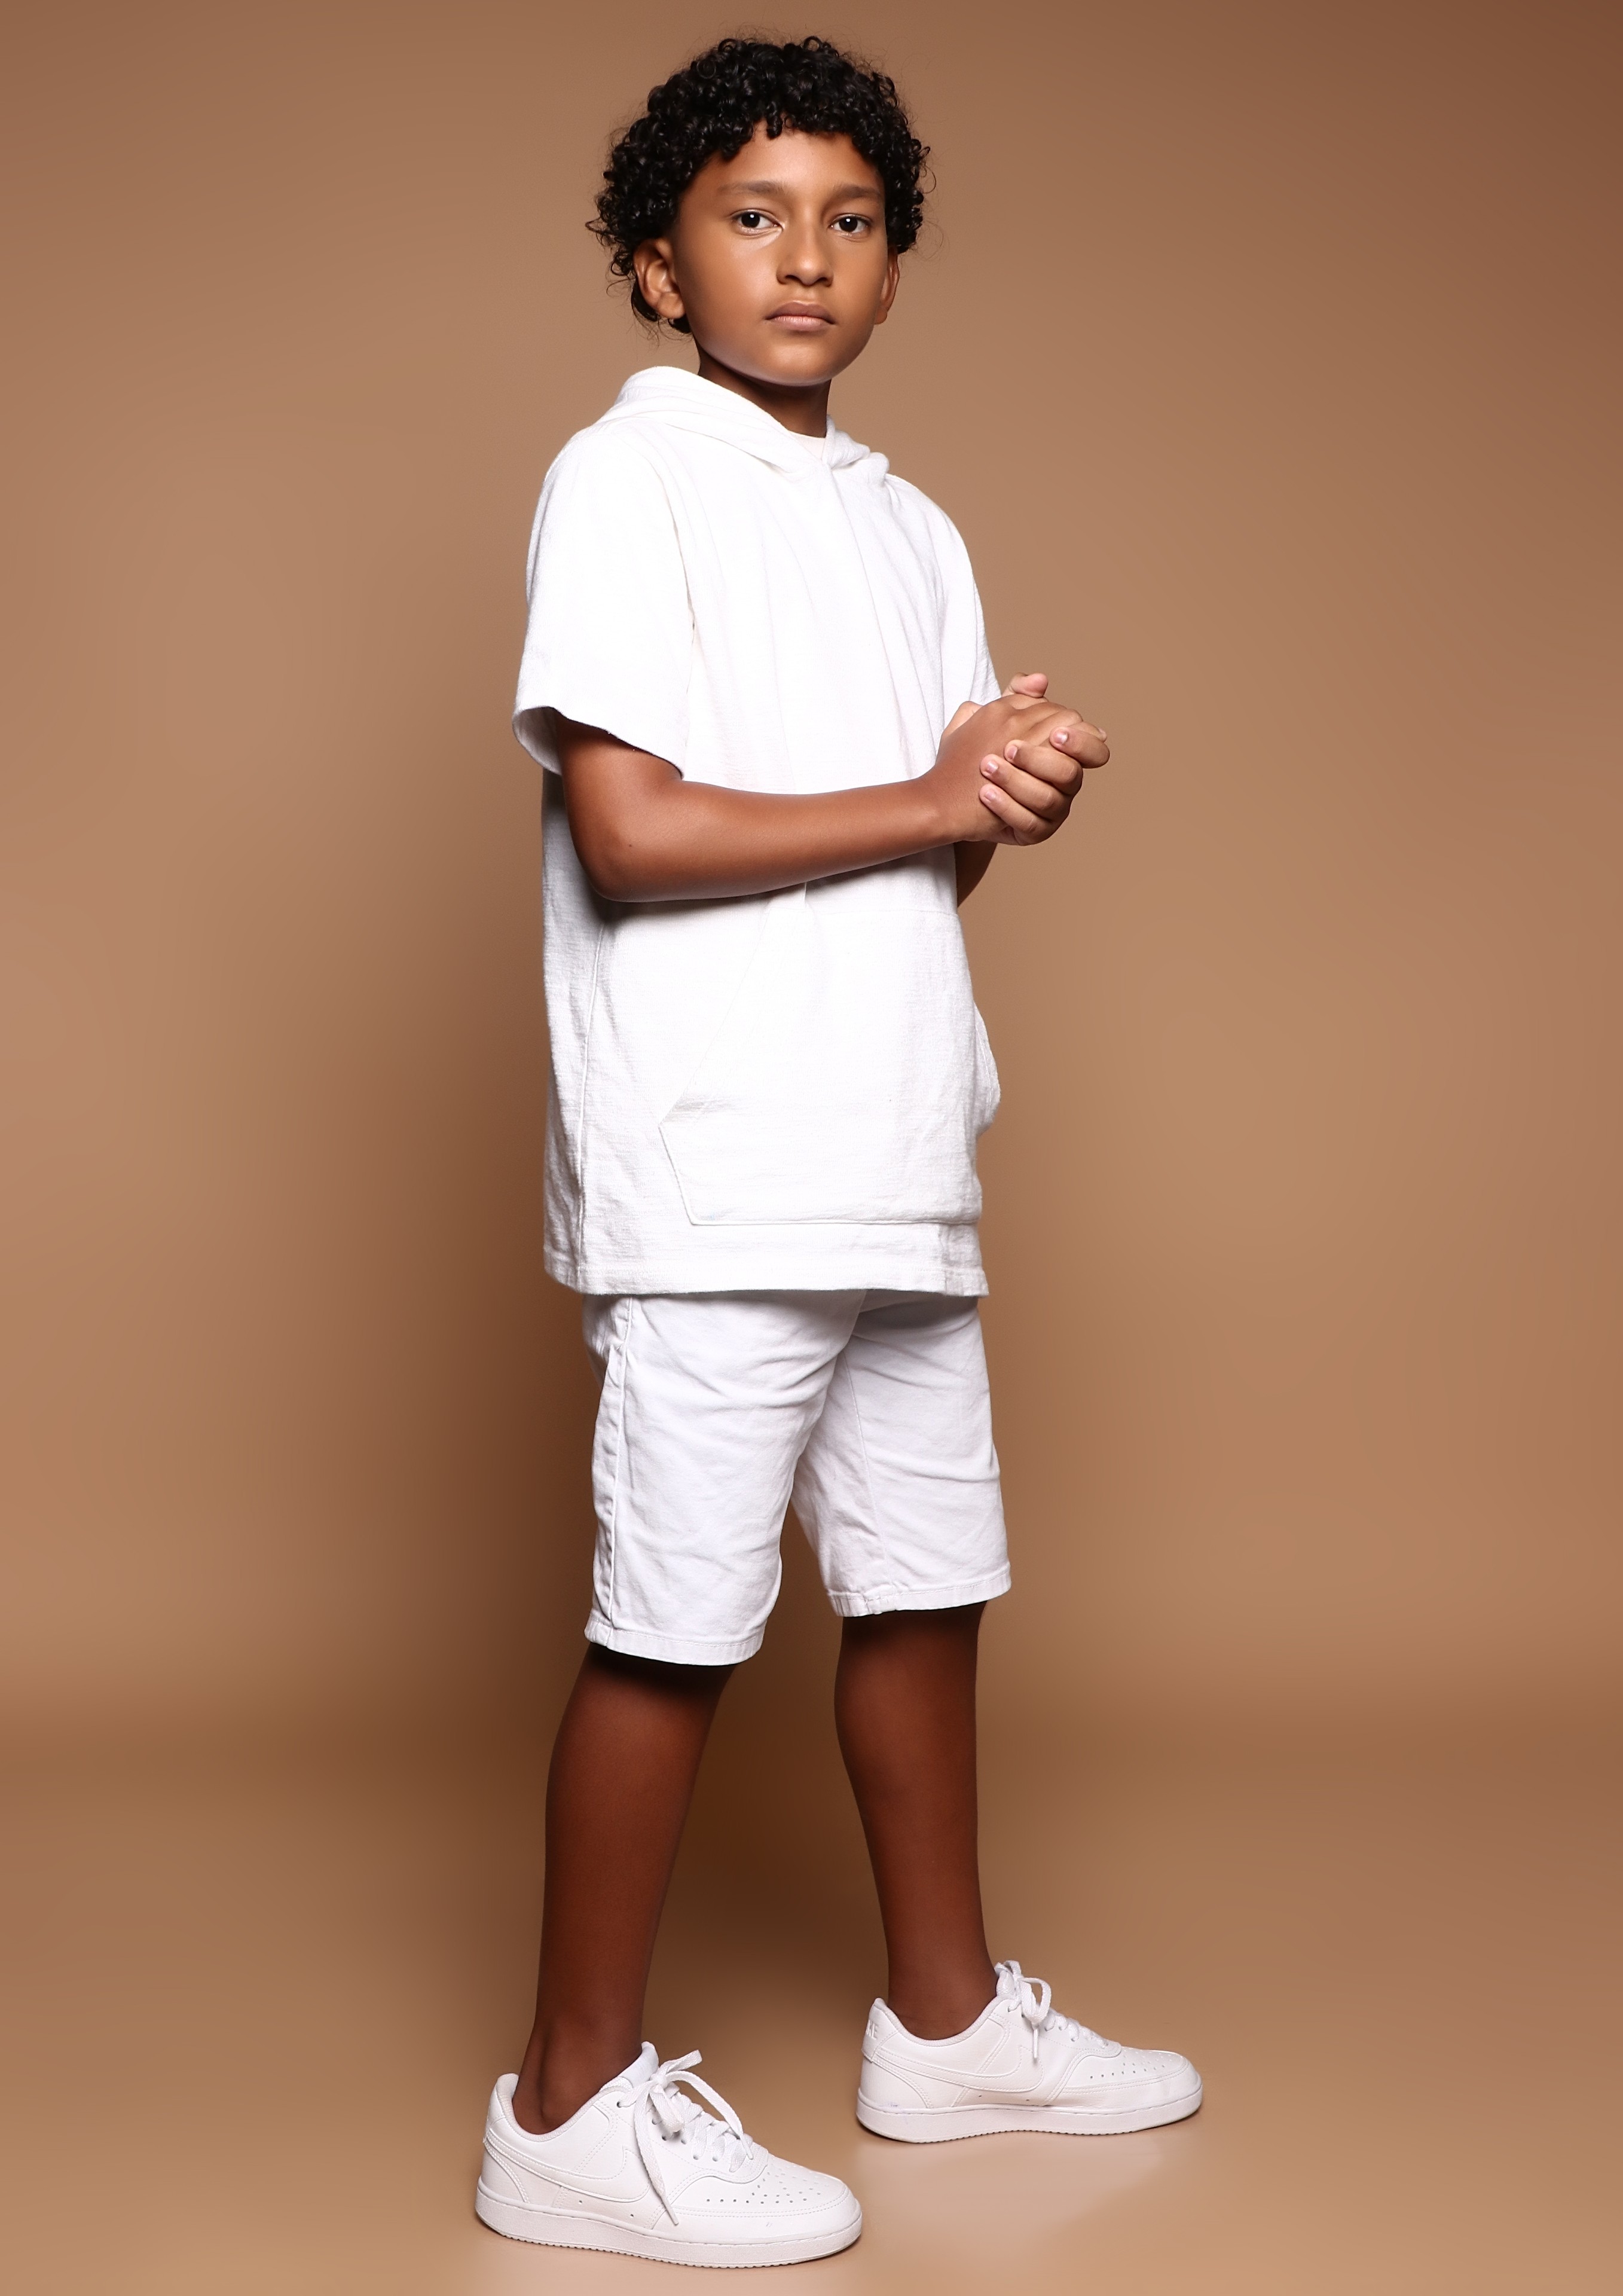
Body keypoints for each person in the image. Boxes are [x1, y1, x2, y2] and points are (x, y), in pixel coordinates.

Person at [475, 35, 1200, 2269]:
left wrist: (996, 794)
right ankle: (565, 2106)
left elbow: (920, 854)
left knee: (921, 1582)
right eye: (750, 215)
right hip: (718, 1166)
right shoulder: (628, 480)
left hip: (894, 1141)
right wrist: (930, 790)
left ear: (891, 267)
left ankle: (947, 2027)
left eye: (849, 220)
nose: (802, 257)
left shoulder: (908, 525)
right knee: (672, 1624)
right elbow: (633, 830)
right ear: (655, 263)